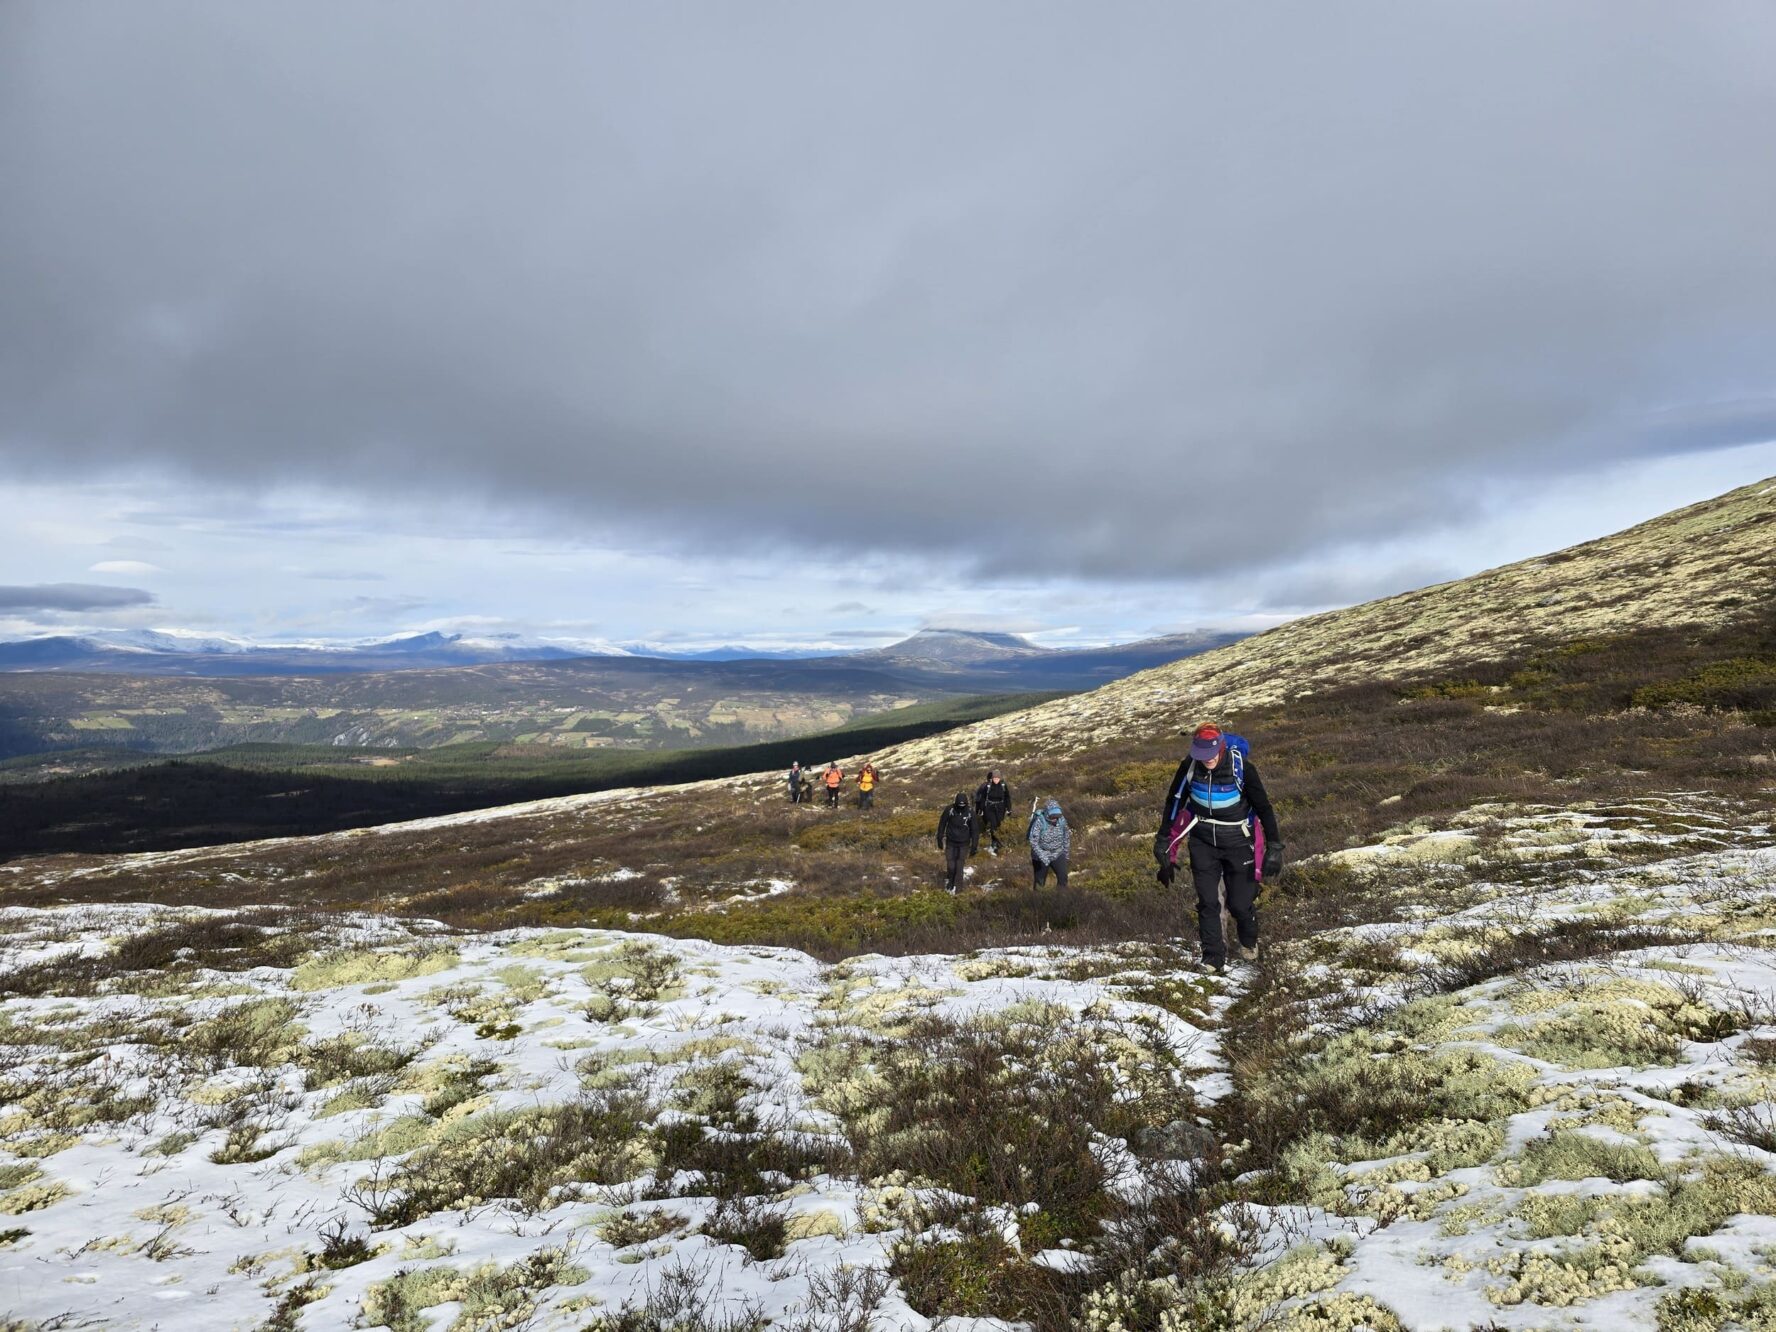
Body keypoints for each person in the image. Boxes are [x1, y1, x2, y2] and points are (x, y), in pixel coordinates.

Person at [1153, 724, 1283, 975]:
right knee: (1208, 901)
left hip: (1238, 841)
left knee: (1239, 903)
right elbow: (1174, 802)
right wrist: (1163, 841)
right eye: (1202, 755)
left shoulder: (1242, 769)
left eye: (1211, 753)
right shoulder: (1189, 766)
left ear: (1221, 747)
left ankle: (1248, 942)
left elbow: (1264, 808)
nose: (1208, 759)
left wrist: (1275, 847)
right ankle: (1212, 957)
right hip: (1203, 842)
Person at [935, 791, 978, 894]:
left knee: (959, 865)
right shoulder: (949, 810)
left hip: (964, 843)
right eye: (959, 805)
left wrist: (974, 846)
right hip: (951, 842)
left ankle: (958, 889)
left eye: (963, 805)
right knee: (951, 865)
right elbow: (942, 824)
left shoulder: (970, 812)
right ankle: (950, 881)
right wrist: (939, 839)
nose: (961, 807)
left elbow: (975, 830)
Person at [1028, 798, 1070, 889]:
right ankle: (1036, 901)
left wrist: (1065, 853)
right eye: (1052, 816)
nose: (1055, 818)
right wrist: (1043, 856)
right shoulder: (1040, 821)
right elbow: (1033, 841)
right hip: (1040, 855)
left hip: (1058, 853)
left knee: (1063, 878)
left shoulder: (1062, 820)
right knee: (1040, 882)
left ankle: (1062, 899)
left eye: (1057, 816)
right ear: (1047, 813)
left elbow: (1066, 836)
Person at [974, 769, 1012, 854]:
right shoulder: (987, 786)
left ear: (1000, 778)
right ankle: (994, 842)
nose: (996, 779)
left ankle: (999, 841)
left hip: (1000, 808)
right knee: (993, 824)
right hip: (989, 808)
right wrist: (981, 809)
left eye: (997, 778)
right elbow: (983, 798)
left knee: (999, 824)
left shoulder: (1003, 785)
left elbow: (1007, 797)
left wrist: (1009, 808)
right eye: (994, 778)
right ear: (992, 778)